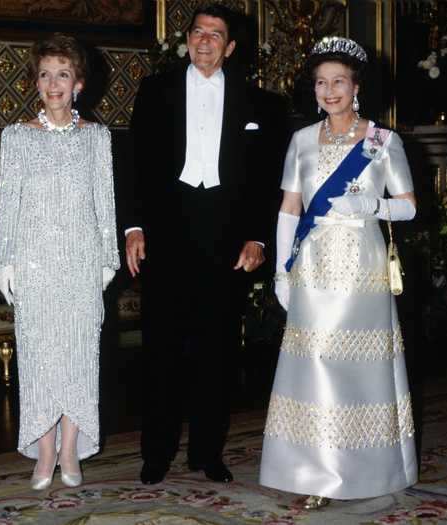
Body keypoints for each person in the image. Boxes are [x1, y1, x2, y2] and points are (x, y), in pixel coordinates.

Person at [260, 36, 418, 509]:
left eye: (339, 82)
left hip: (362, 270)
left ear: (356, 87)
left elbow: (409, 208)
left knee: (360, 370)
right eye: (321, 83)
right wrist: (281, 271)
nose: (329, 91)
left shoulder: (383, 142)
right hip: (313, 266)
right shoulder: (301, 140)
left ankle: (369, 468)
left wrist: (372, 204)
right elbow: (290, 208)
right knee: (313, 369)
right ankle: (315, 474)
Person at [125, 3, 269, 485]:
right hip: (167, 234)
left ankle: (207, 453)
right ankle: (156, 454)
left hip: (225, 240)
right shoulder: (155, 89)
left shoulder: (257, 102)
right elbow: (135, 164)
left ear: (230, 47)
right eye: (197, 32)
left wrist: (257, 237)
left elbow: (264, 180)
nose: (204, 40)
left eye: (216, 34)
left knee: (218, 353)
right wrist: (134, 228)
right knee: (161, 351)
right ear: (187, 39)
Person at [0, 33, 119, 491]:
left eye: (62, 74)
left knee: (79, 358)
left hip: (83, 263)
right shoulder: (17, 137)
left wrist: (108, 259)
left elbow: (105, 202)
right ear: (35, 83)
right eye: (45, 74)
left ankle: (70, 449)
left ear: (78, 83)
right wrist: (4, 261)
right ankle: (43, 450)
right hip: (36, 263)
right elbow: (8, 203)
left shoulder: (97, 138)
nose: (53, 83)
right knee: (41, 359)